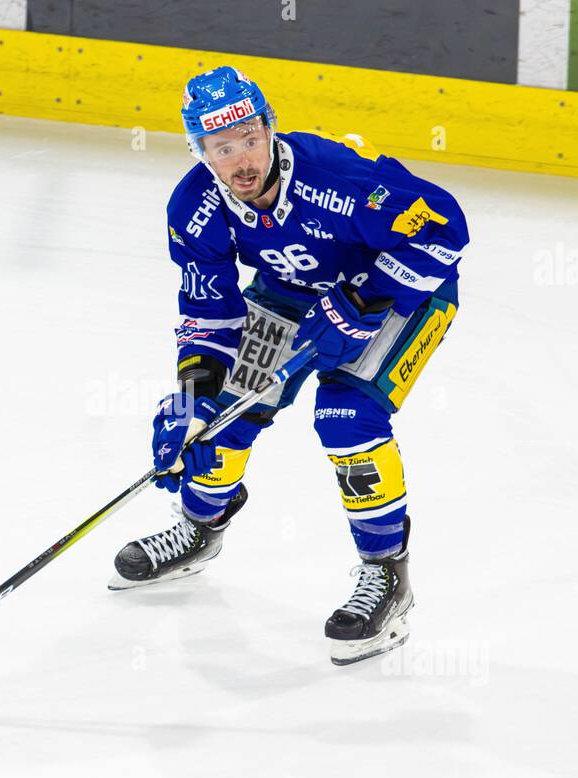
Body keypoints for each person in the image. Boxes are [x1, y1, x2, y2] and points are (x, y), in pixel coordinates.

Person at [109, 66, 470, 666]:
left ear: (270, 128)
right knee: (221, 413)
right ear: (201, 153)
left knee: (345, 415)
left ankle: (389, 576)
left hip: (400, 291)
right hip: (293, 291)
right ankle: (200, 527)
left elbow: (444, 231)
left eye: (251, 137)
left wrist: (363, 304)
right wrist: (192, 397)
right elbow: (209, 315)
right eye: (223, 148)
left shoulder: (339, 175)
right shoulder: (194, 207)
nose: (242, 158)